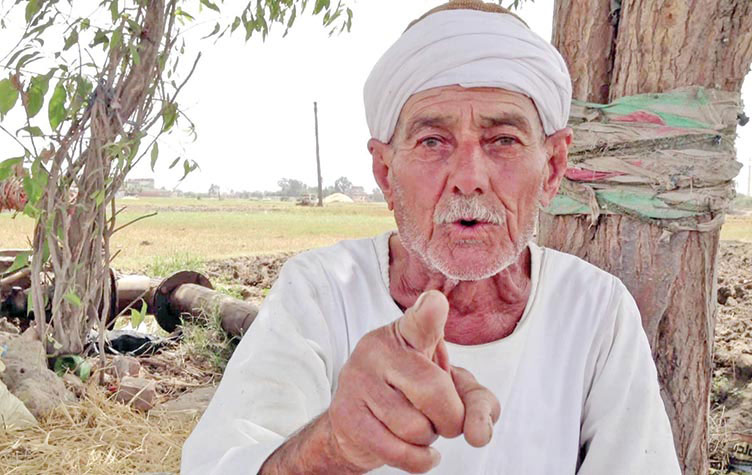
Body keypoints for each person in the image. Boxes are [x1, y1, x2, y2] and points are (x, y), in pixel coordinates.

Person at [182, 1, 682, 473]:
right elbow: (222, 461)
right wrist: (333, 444)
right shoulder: (320, 291)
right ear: (385, 173)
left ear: (552, 167)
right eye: (433, 141)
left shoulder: (595, 309)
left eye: (503, 140)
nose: (469, 177)